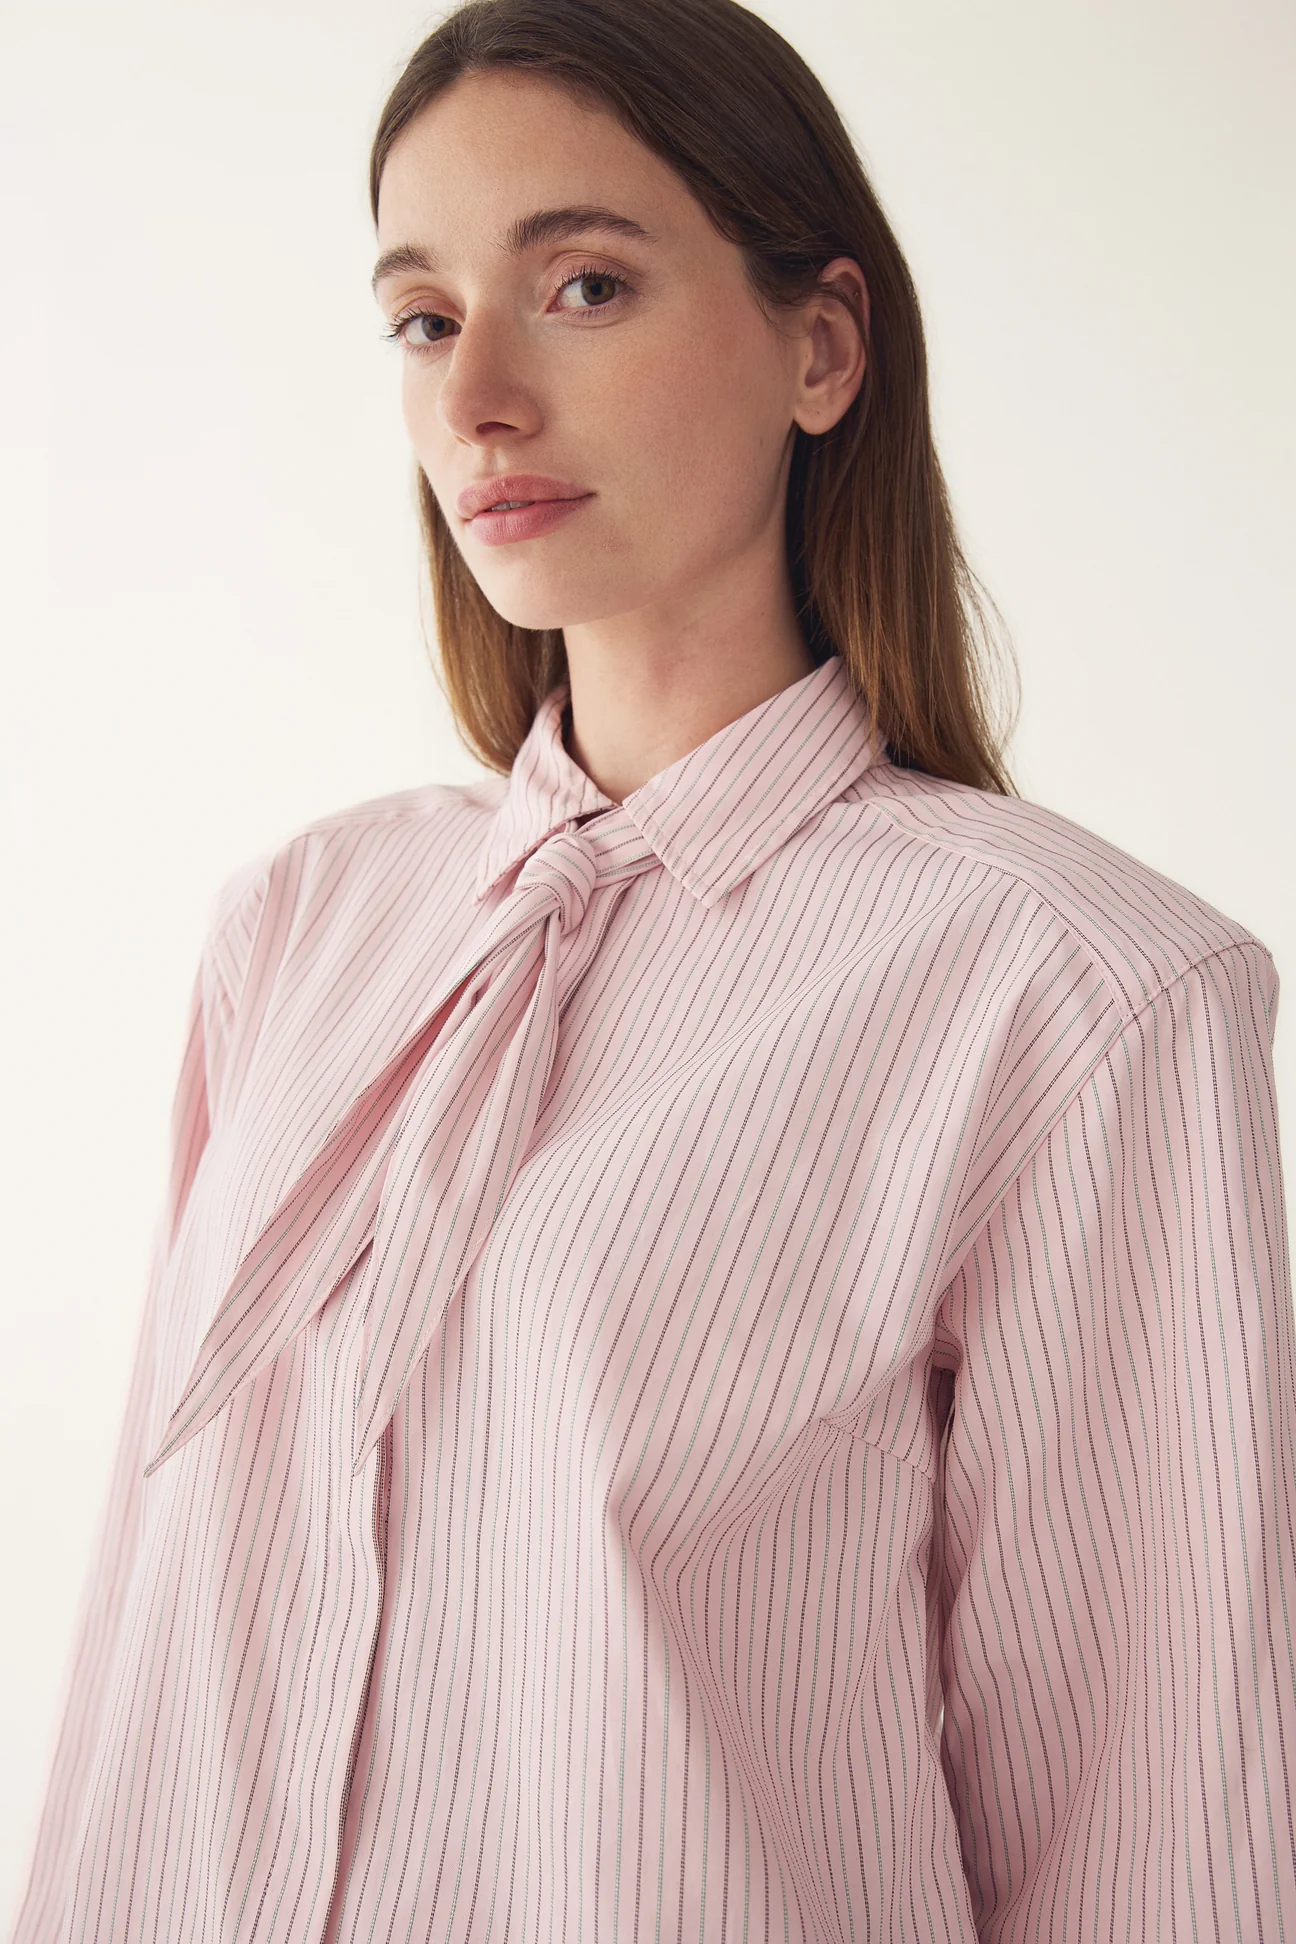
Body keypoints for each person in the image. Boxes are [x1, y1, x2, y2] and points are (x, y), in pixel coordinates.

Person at [11, 0, 1295, 1939]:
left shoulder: (1079, 1000)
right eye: (422, 319)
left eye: (584, 287)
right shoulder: (298, 928)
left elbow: (1162, 1831)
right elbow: (140, 1662)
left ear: (822, 347)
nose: (476, 399)